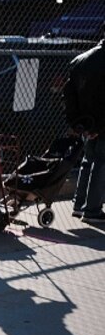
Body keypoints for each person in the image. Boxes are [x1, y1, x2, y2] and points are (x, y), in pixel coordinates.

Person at [63, 24, 105, 223]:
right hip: (100, 122)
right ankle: (92, 209)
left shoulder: (81, 60)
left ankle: (80, 205)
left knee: (89, 160)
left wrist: (77, 122)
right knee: (101, 162)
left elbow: (69, 93)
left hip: (86, 121)